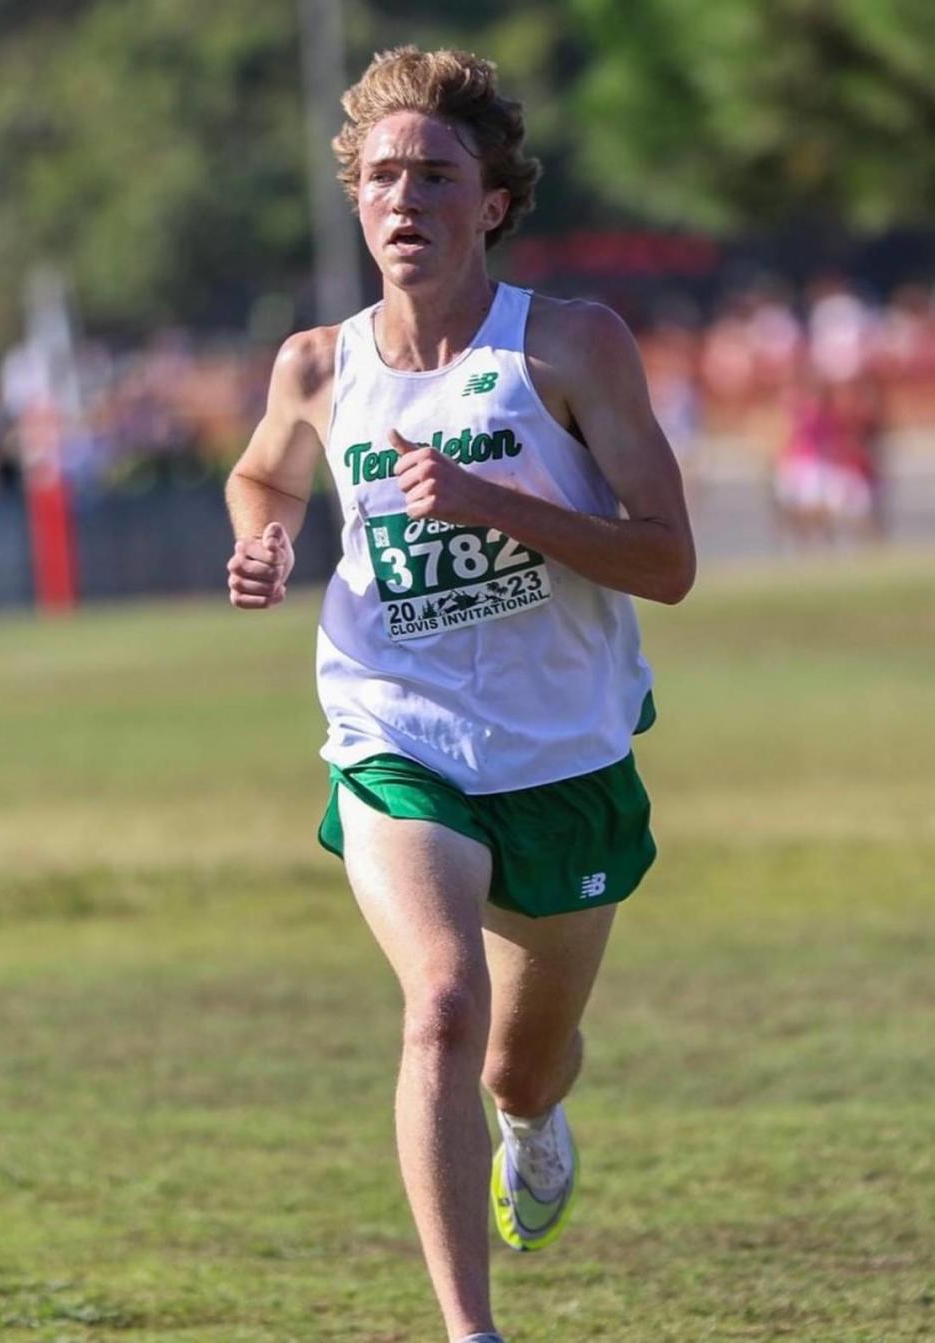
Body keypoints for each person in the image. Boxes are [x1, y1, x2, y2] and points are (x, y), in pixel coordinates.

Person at [225, 46, 695, 1343]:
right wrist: (262, 533)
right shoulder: (318, 365)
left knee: (516, 1061)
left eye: (436, 174)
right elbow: (264, 474)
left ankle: (534, 1124)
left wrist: (493, 503)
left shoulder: (571, 345)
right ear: (356, 200)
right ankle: (470, 1334)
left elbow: (668, 562)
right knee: (440, 1000)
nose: (403, 198)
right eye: (380, 175)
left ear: (493, 200)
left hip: (564, 757)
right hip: (396, 733)